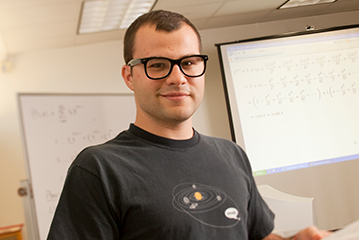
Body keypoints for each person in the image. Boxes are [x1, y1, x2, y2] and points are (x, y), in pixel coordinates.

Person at [47, 10, 331, 240]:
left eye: (189, 62)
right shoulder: (100, 169)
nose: (177, 77)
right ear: (129, 76)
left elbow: (258, 235)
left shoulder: (231, 154)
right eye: (157, 65)